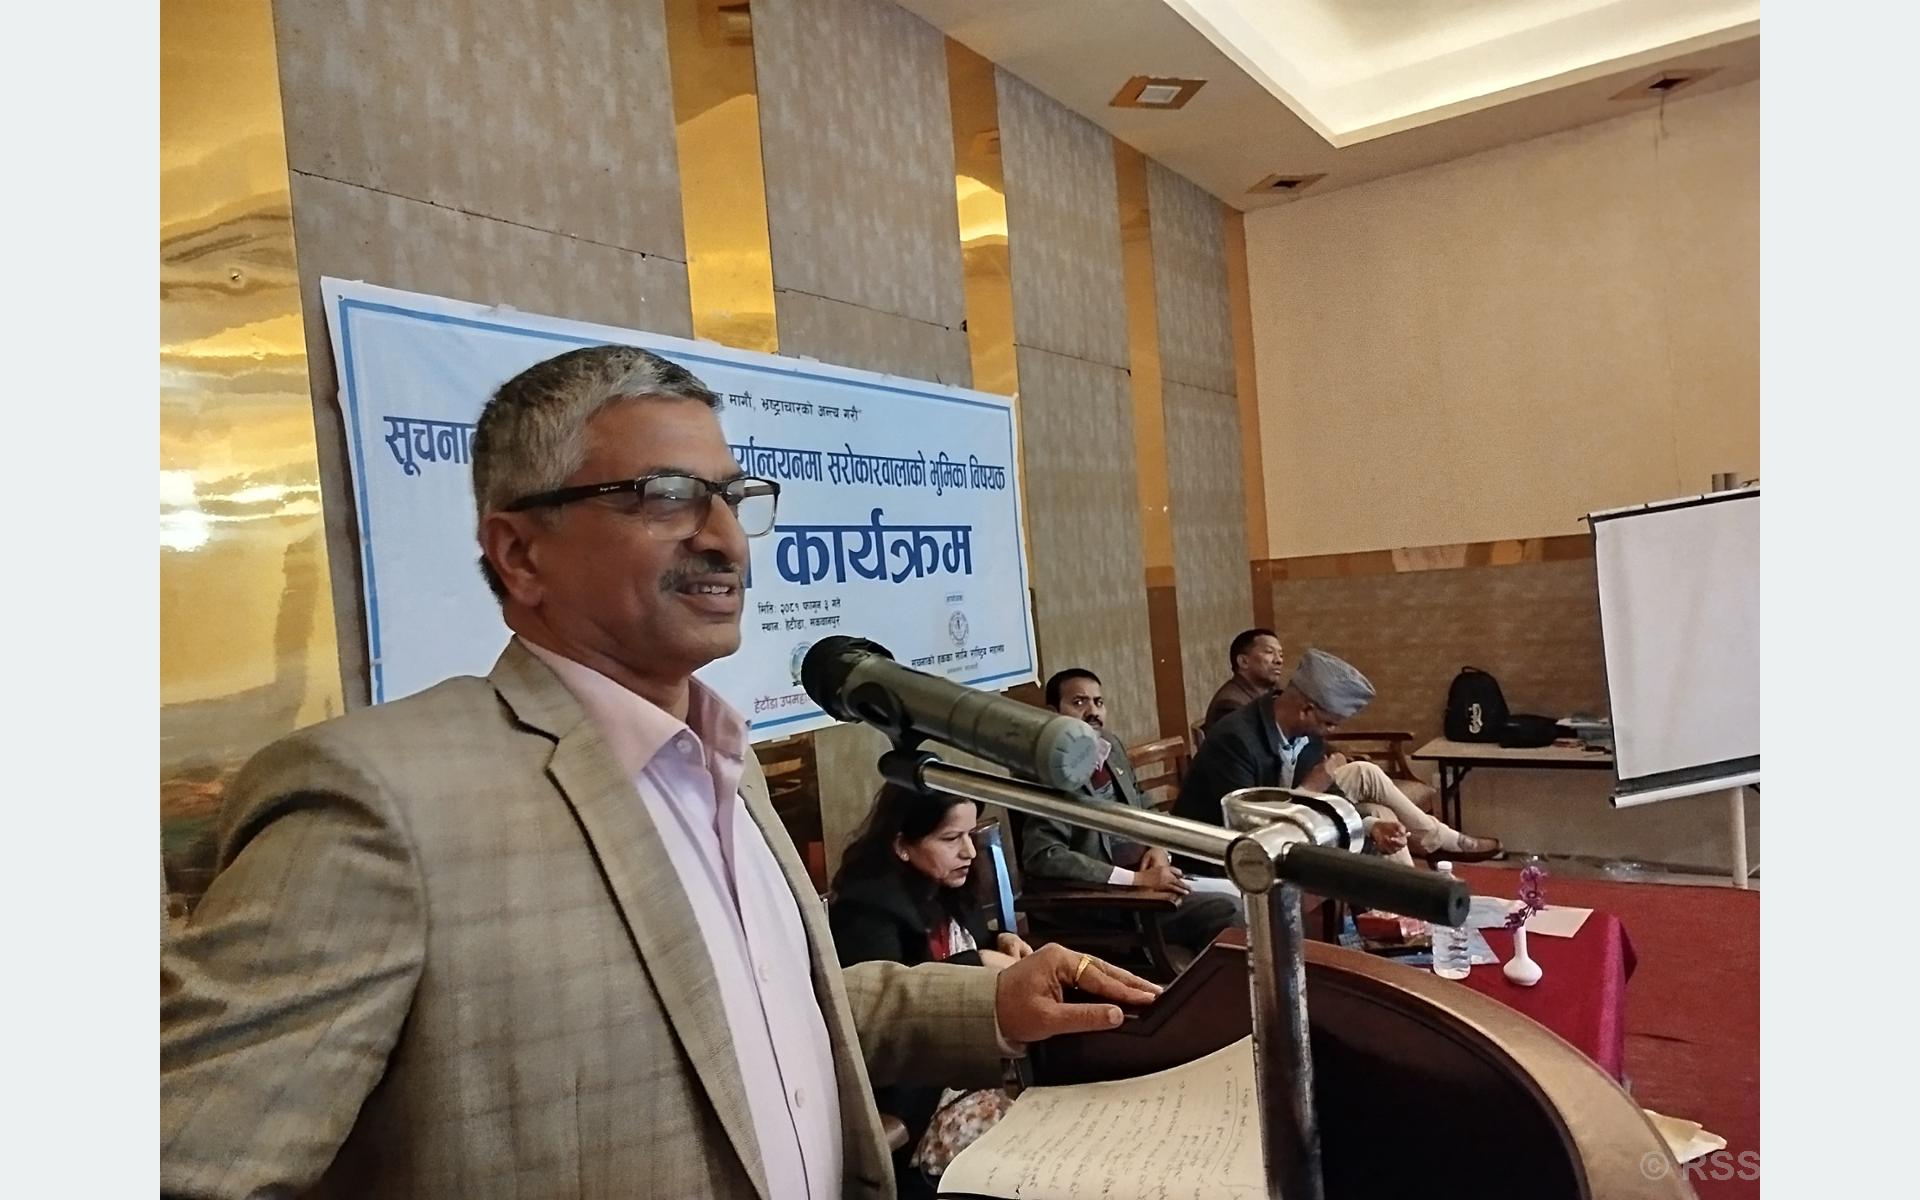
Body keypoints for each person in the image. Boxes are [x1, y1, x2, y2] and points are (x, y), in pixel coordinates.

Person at [160, 345, 1157, 1200]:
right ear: (520, 553)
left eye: (732, 497)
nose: (723, 539)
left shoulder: (727, 763)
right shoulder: (376, 801)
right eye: (664, 497)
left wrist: (988, 1003)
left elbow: (748, 1016)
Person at [829, 785, 1031, 1196]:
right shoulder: (865, 912)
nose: (969, 852)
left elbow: (965, 942)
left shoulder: (949, 884)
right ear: (902, 845)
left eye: (970, 835)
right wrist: (978, 963)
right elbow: (885, 1015)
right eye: (951, 838)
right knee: (1023, 1154)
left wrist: (1001, 941)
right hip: (914, 1093)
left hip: (969, 1072)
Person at [1175, 648, 1503, 866]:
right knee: (1366, 809)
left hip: (1287, 822)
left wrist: (1372, 826)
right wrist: (1311, 788)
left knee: (1379, 813)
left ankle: (1404, 918)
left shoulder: (1301, 731)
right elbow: (1249, 830)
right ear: (1306, 709)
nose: (1330, 732)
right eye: (1329, 723)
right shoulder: (1236, 739)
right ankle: (1406, 906)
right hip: (1224, 853)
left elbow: (1331, 797)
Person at [1022, 668, 1242, 952]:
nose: (1093, 711)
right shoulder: (1046, 771)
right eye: (1079, 702)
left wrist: (1159, 848)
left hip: (1154, 882)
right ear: (1053, 712)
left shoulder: (1110, 747)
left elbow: (1142, 802)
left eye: (1099, 702)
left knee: (1251, 895)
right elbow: (1045, 857)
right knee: (1231, 911)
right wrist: (1135, 880)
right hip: (1112, 901)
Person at [1203, 628, 1285, 730]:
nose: (1279, 660)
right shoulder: (1230, 704)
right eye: (1269, 652)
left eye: (1281, 655)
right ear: (1243, 662)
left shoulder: (1274, 692)